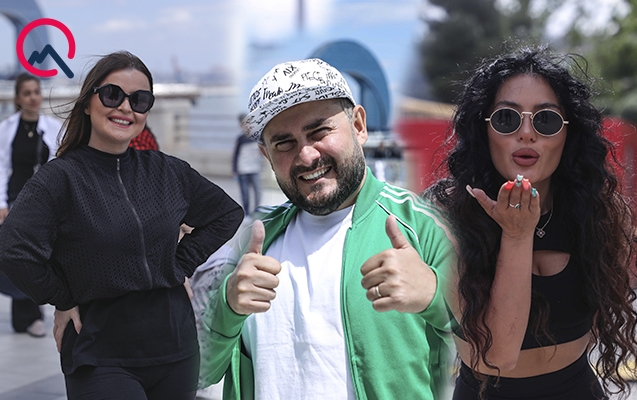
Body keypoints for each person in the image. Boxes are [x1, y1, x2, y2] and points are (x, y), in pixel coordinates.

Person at [198, 58, 455, 400]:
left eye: (319, 132)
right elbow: (199, 372)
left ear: (359, 125)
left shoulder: (422, 227)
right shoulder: (252, 241)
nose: (306, 156)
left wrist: (434, 295)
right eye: (284, 143)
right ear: (266, 155)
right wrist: (227, 308)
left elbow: (494, 347)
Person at [0, 51, 243, 400]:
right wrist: (60, 297)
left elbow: (226, 214)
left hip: (176, 349)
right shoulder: (60, 179)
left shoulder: (166, 171)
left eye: (139, 100)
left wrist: (179, 264)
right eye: (113, 95)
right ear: (88, 102)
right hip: (101, 354)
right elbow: (13, 250)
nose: (126, 107)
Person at [424, 46, 637, 399]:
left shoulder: (598, 210)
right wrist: (516, 235)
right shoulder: (447, 214)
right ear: (483, 129)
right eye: (507, 119)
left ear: (568, 134)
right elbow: (498, 355)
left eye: (546, 120)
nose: (526, 133)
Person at [0, 72, 63, 337]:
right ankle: (28, 317)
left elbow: (60, 164)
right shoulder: (6, 128)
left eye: (36, 92)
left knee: (37, 255)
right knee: (17, 255)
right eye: (27, 93)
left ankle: (31, 316)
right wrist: (1, 202)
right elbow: (1, 166)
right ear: (18, 98)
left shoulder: (52, 127)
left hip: (42, 201)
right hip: (15, 198)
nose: (33, 98)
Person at [232, 114, 262, 214]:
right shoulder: (240, 139)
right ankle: (247, 213)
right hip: (243, 169)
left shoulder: (257, 137)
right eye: (244, 124)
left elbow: (262, 152)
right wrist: (234, 169)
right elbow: (235, 155)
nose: (247, 126)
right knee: (245, 193)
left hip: (255, 169)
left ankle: (257, 210)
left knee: (257, 191)